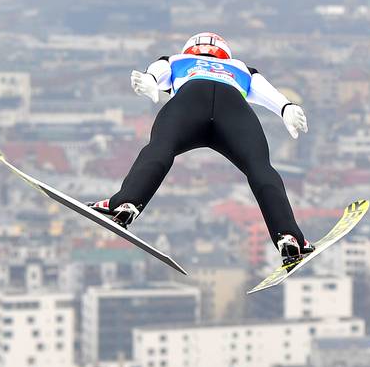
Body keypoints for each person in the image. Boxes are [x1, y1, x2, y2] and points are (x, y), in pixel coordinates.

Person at [88, 32, 314, 264]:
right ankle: (289, 236)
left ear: (190, 49)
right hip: (233, 109)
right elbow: (268, 94)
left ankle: (126, 203)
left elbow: (157, 73)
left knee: (160, 148)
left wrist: (149, 80)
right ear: (225, 52)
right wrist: (286, 108)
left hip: (189, 103)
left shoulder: (176, 60)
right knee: (259, 167)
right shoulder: (242, 69)